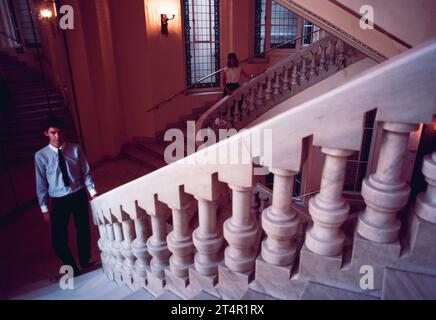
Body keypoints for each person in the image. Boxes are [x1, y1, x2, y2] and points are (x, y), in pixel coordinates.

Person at [35, 116, 98, 277]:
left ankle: (85, 261)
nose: (57, 136)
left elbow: (86, 172)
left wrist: (92, 192)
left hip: (78, 195)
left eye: (60, 132)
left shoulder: (75, 149)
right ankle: (72, 267)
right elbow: (41, 183)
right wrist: (44, 207)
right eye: (53, 132)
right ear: (46, 134)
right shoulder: (41, 156)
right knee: (58, 238)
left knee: (83, 230)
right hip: (58, 200)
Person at [222, 53, 253, 118]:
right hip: (228, 88)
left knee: (237, 103)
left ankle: (236, 117)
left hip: (236, 86)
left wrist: (255, 75)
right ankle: (228, 118)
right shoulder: (225, 69)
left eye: (233, 59)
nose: (232, 60)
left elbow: (247, 75)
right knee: (227, 105)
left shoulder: (239, 68)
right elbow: (224, 83)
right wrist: (228, 91)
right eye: (230, 59)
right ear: (228, 60)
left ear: (235, 59)